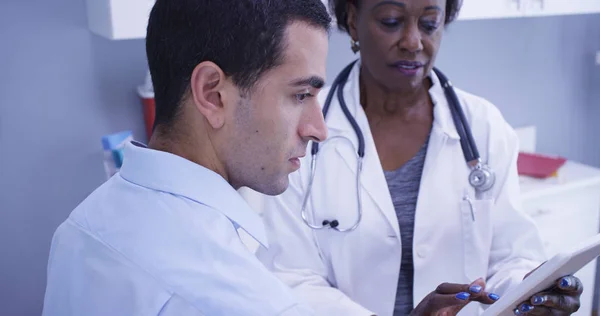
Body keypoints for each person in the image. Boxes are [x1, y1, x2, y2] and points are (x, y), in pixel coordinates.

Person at [242, 0, 584, 315]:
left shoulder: (484, 126)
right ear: (352, 20)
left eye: (430, 23)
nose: (413, 42)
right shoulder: (302, 127)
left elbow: (512, 255)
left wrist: (531, 289)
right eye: (391, 21)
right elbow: (291, 276)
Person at [41, 0, 333, 315]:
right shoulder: (245, 303)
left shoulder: (78, 229)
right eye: (301, 95)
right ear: (212, 94)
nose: (318, 130)